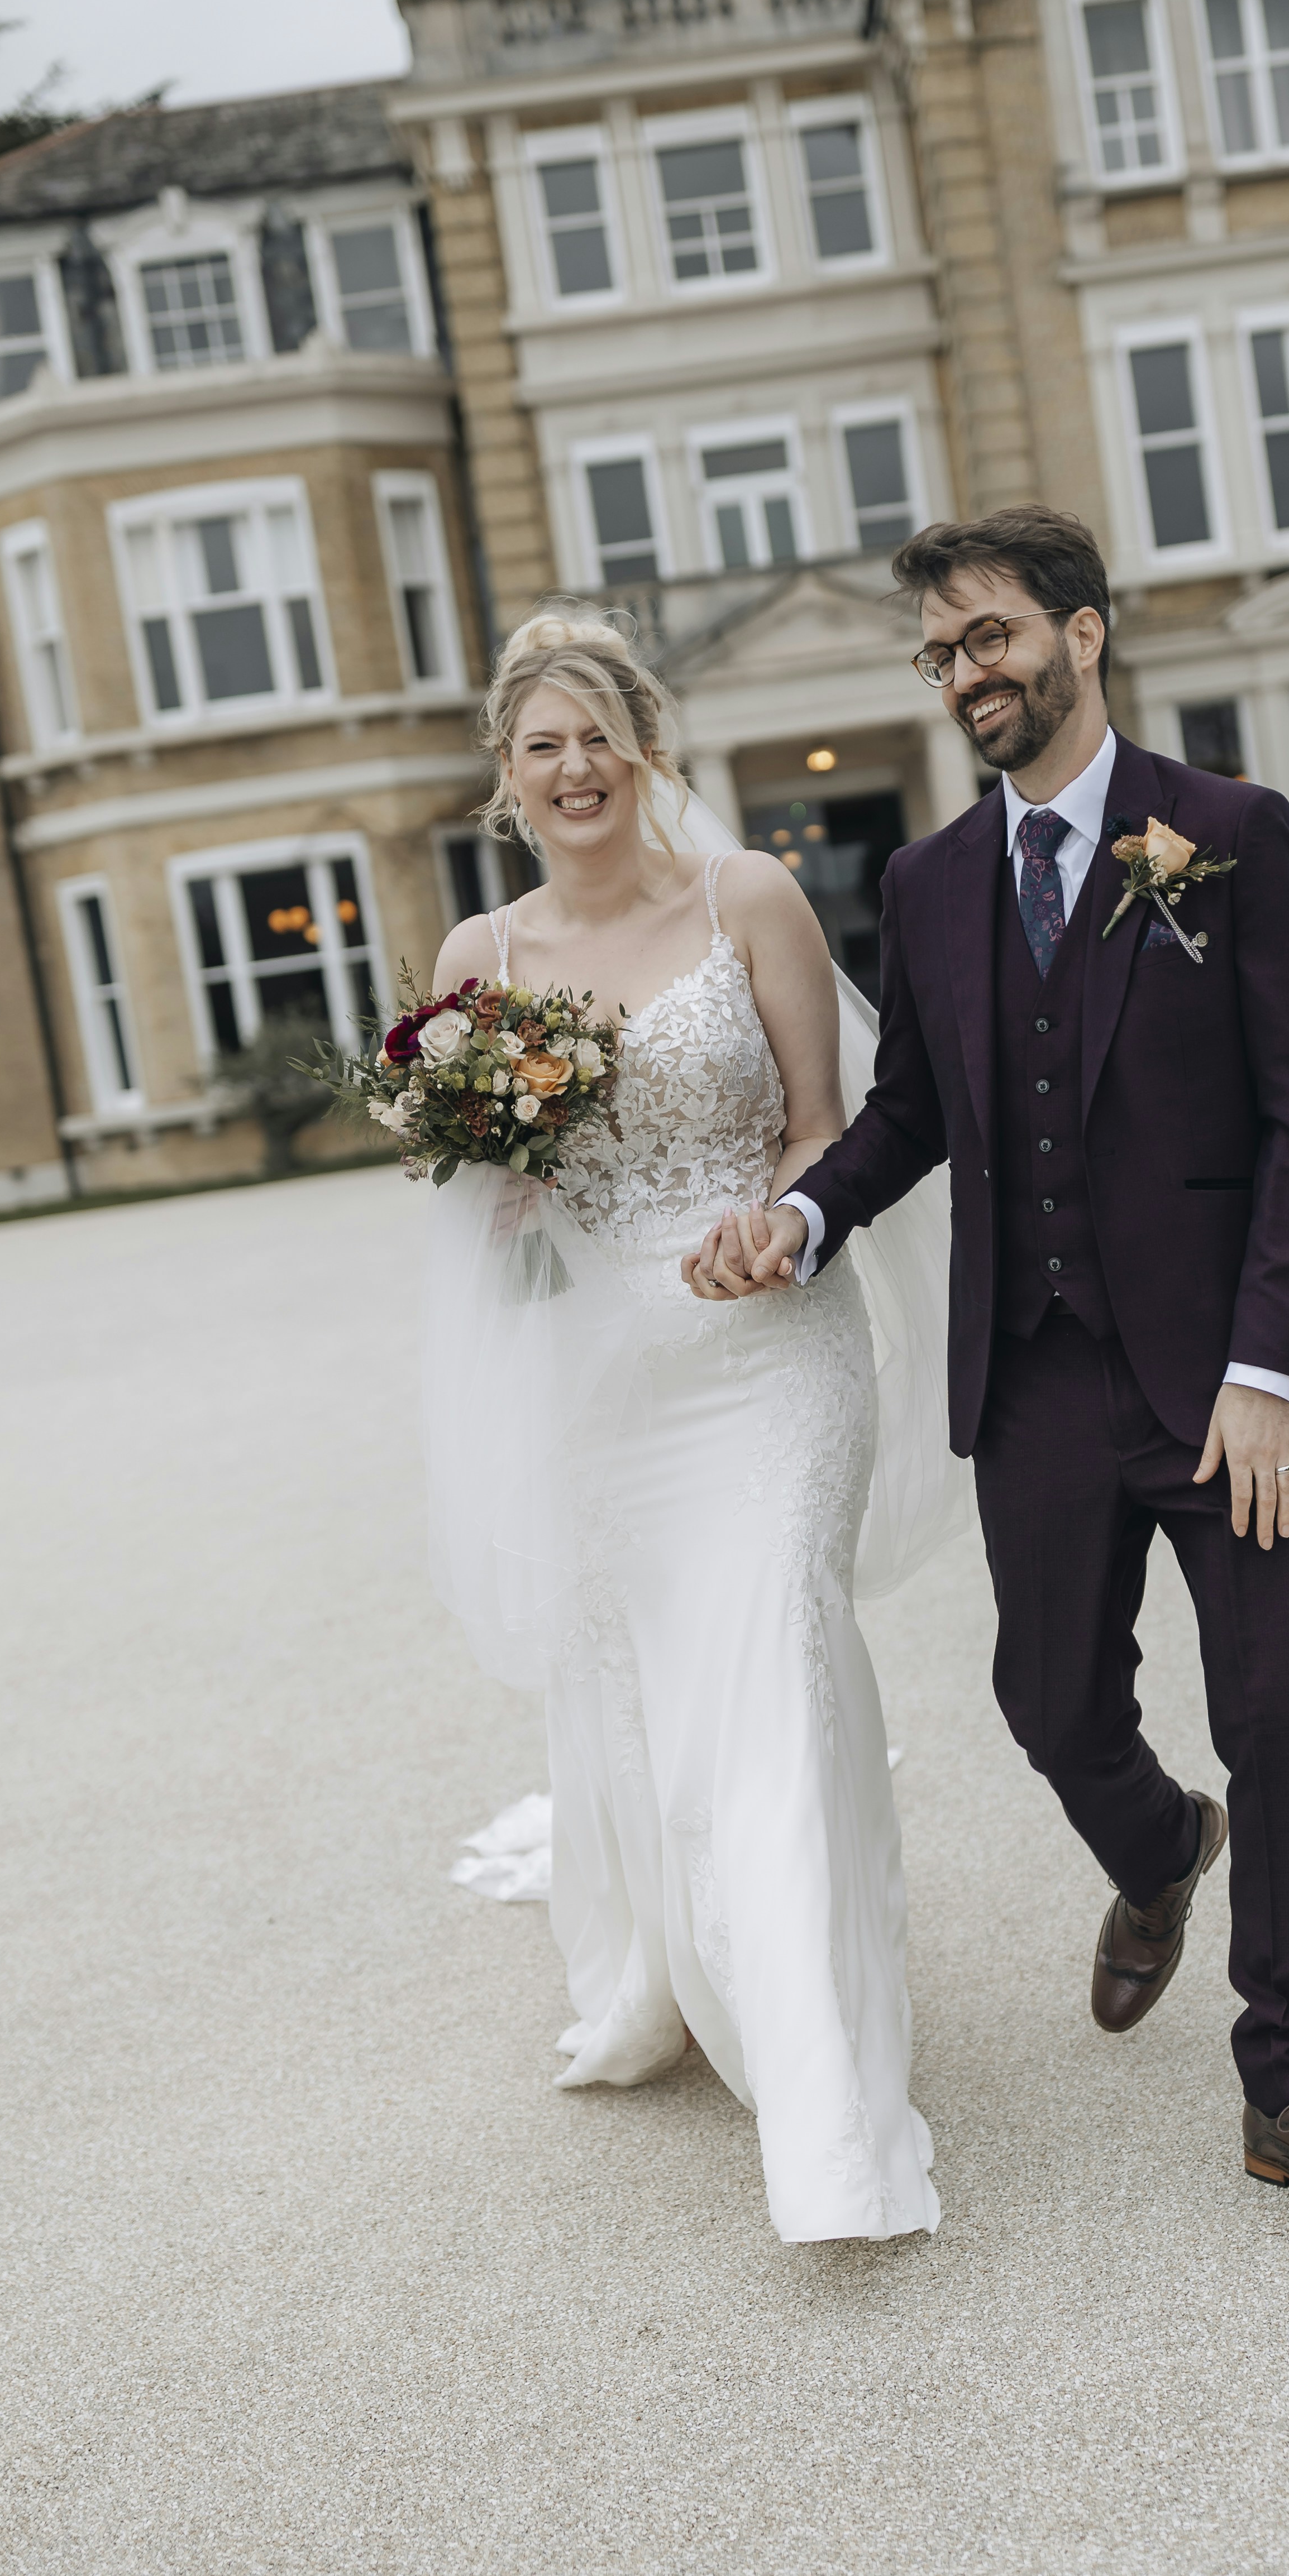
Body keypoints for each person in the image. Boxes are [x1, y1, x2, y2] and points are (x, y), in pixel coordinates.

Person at [696, 508, 1289, 2239]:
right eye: (941, 653)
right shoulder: (929, 883)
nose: (966, 674)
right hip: (1032, 1373)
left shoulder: (1230, 836)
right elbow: (911, 1120)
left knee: (1275, 1716)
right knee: (1046, 1703)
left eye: (990, 638)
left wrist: (1266, 1369)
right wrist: (798, 1225)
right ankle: (1157, 1848)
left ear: (1081, 635)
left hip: (1222, 1382)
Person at [424, 608, 961, 2247]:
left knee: (769, 1683)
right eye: (542, 747)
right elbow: (475, 1216)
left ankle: (826, 2117)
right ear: (508, 783)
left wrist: (781, 1222)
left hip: (769, 1359)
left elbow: (828, 1125)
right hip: (606, 1394)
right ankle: (677, 1964)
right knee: (659, 1710)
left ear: (645, 748)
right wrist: (493, 1190)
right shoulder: (479, 966)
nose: (574, 768)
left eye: (598, 736)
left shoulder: (750, 901)